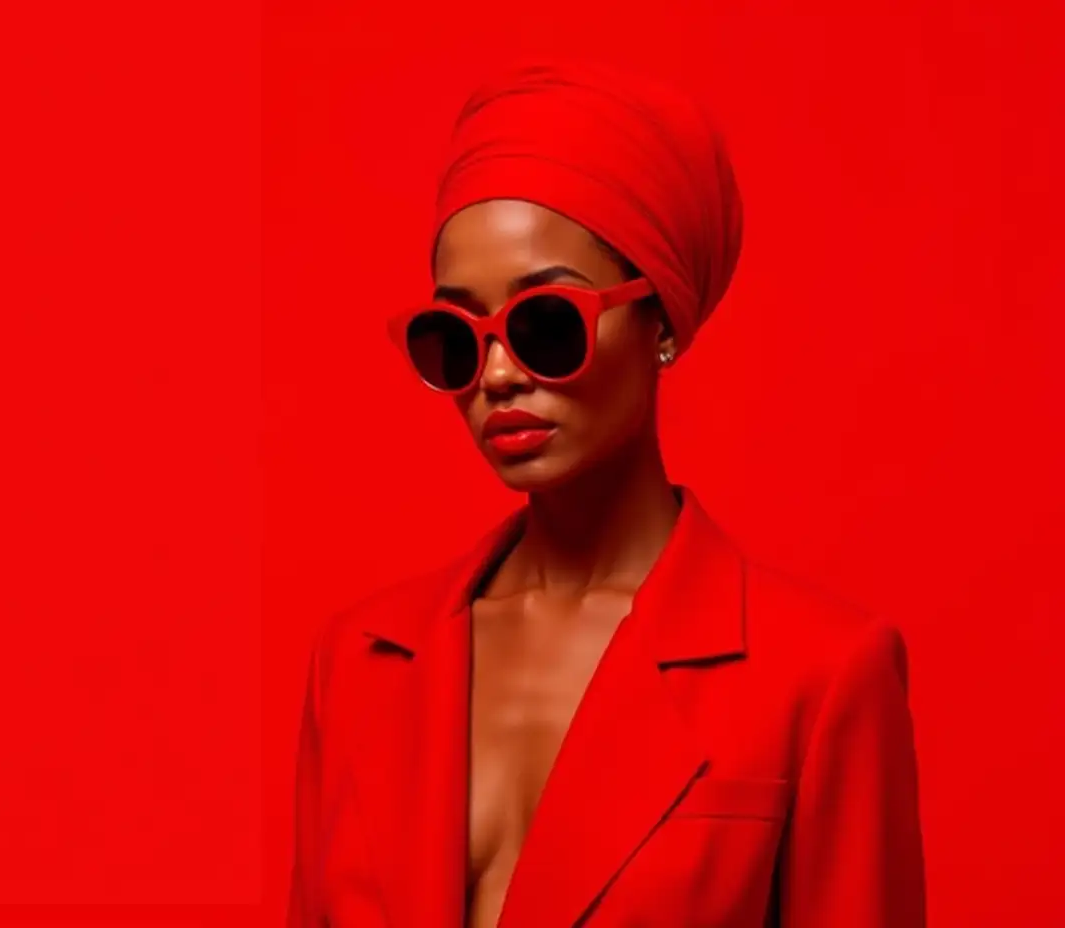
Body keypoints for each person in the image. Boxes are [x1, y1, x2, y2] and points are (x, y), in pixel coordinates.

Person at [287, 60, 926, 927]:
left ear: (660, 321)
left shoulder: (820, 676)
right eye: (456, 339)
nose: (500, 375)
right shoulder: (357, 665)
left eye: (547, 323)